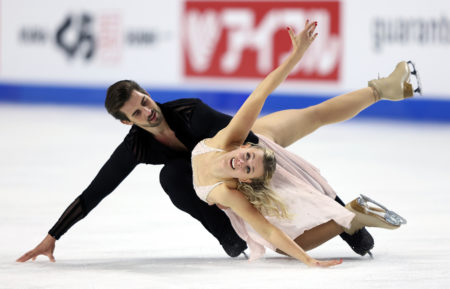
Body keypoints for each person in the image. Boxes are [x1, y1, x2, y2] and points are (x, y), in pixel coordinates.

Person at [15, 21, 379, 264]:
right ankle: (228, 236)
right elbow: (97, 190)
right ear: (127, 122)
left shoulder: (191, 113)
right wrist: (53, 235)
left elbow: (244, 133)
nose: (148, 112)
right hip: (222, 182)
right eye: (138, 114)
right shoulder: (136, 148)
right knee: (171, 177)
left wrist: (312, 192)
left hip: (249, 150)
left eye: (145, 101)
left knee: (310, 122)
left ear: (146, 93)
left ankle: (350, 220)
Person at [191, 20, 412, 266]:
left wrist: (296, 54)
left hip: (263, 142)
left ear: (244, 146)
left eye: (248, 160)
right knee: (314, 116)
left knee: (314, 116)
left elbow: (261, 92)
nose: (242, 161)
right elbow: (266, 228)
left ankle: (384, 89)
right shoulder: (229, 177)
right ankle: (384, 89)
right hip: (262, 154)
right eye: (247, 164)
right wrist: (297, 53)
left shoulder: (226, 147)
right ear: (243, 175)